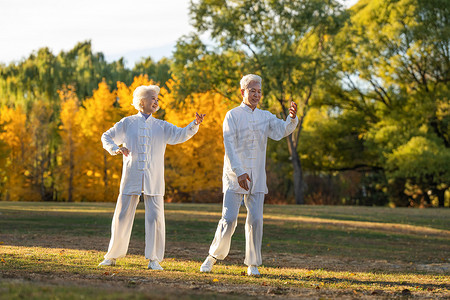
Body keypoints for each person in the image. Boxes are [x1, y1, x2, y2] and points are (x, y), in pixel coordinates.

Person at [99, 84, 205, 270]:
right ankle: (112, 256)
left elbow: (180, 134)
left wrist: (194, 124)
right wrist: (116, 148)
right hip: (131, 176)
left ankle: (154, 259)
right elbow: (106, 137)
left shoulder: (161, 126)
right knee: (122, 216)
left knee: (155, 218)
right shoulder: (127, 122)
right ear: (141, 102)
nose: (156, 101)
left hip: (154, 178)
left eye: (157, 98)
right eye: (152, 98)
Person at [200, 74, 298, 276]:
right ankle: (213, 257)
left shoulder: (265, 116)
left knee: (255, 220)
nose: (256, 94)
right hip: (234, 175)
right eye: (252, 90)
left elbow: (281, 131)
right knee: (229, 219)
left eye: (259, 91)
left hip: (257, 177)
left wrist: (292, 119)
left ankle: (252, 263)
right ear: (243, 92)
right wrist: (240, 172)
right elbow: (229, 145)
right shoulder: (232, 115)